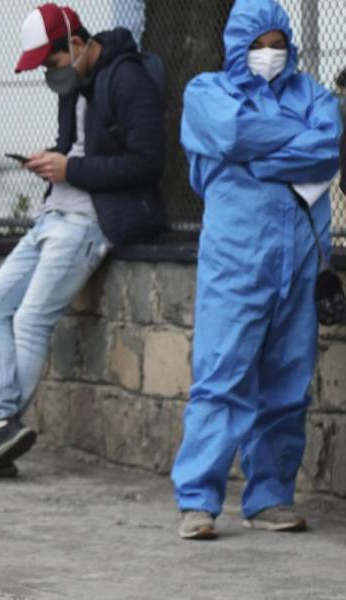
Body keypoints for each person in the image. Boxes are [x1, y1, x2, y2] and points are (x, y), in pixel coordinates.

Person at [0, 3, 165, 480]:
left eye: (52, 62)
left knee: (29, 320)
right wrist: (52, 161)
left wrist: (71, 168)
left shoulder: (128, 78)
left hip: (89, 222)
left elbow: (148, 164)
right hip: (52, 213)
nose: (48, 72)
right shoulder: (76, 84)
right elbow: (76, 151)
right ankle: (2, 422)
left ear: (78, 45)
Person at [171, 0, 340, 540]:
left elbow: (326, 149)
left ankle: (270, 497)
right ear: (235, 46)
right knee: (222, 376)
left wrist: (254, 152)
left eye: (277, 42)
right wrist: (285, 138)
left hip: (301, 255)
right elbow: (227, 136)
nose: (269, 53)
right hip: (236, 260)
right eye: (257, 43)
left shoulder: (313, 94)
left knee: (288, 382)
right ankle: (198, 499)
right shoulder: (206, 93)